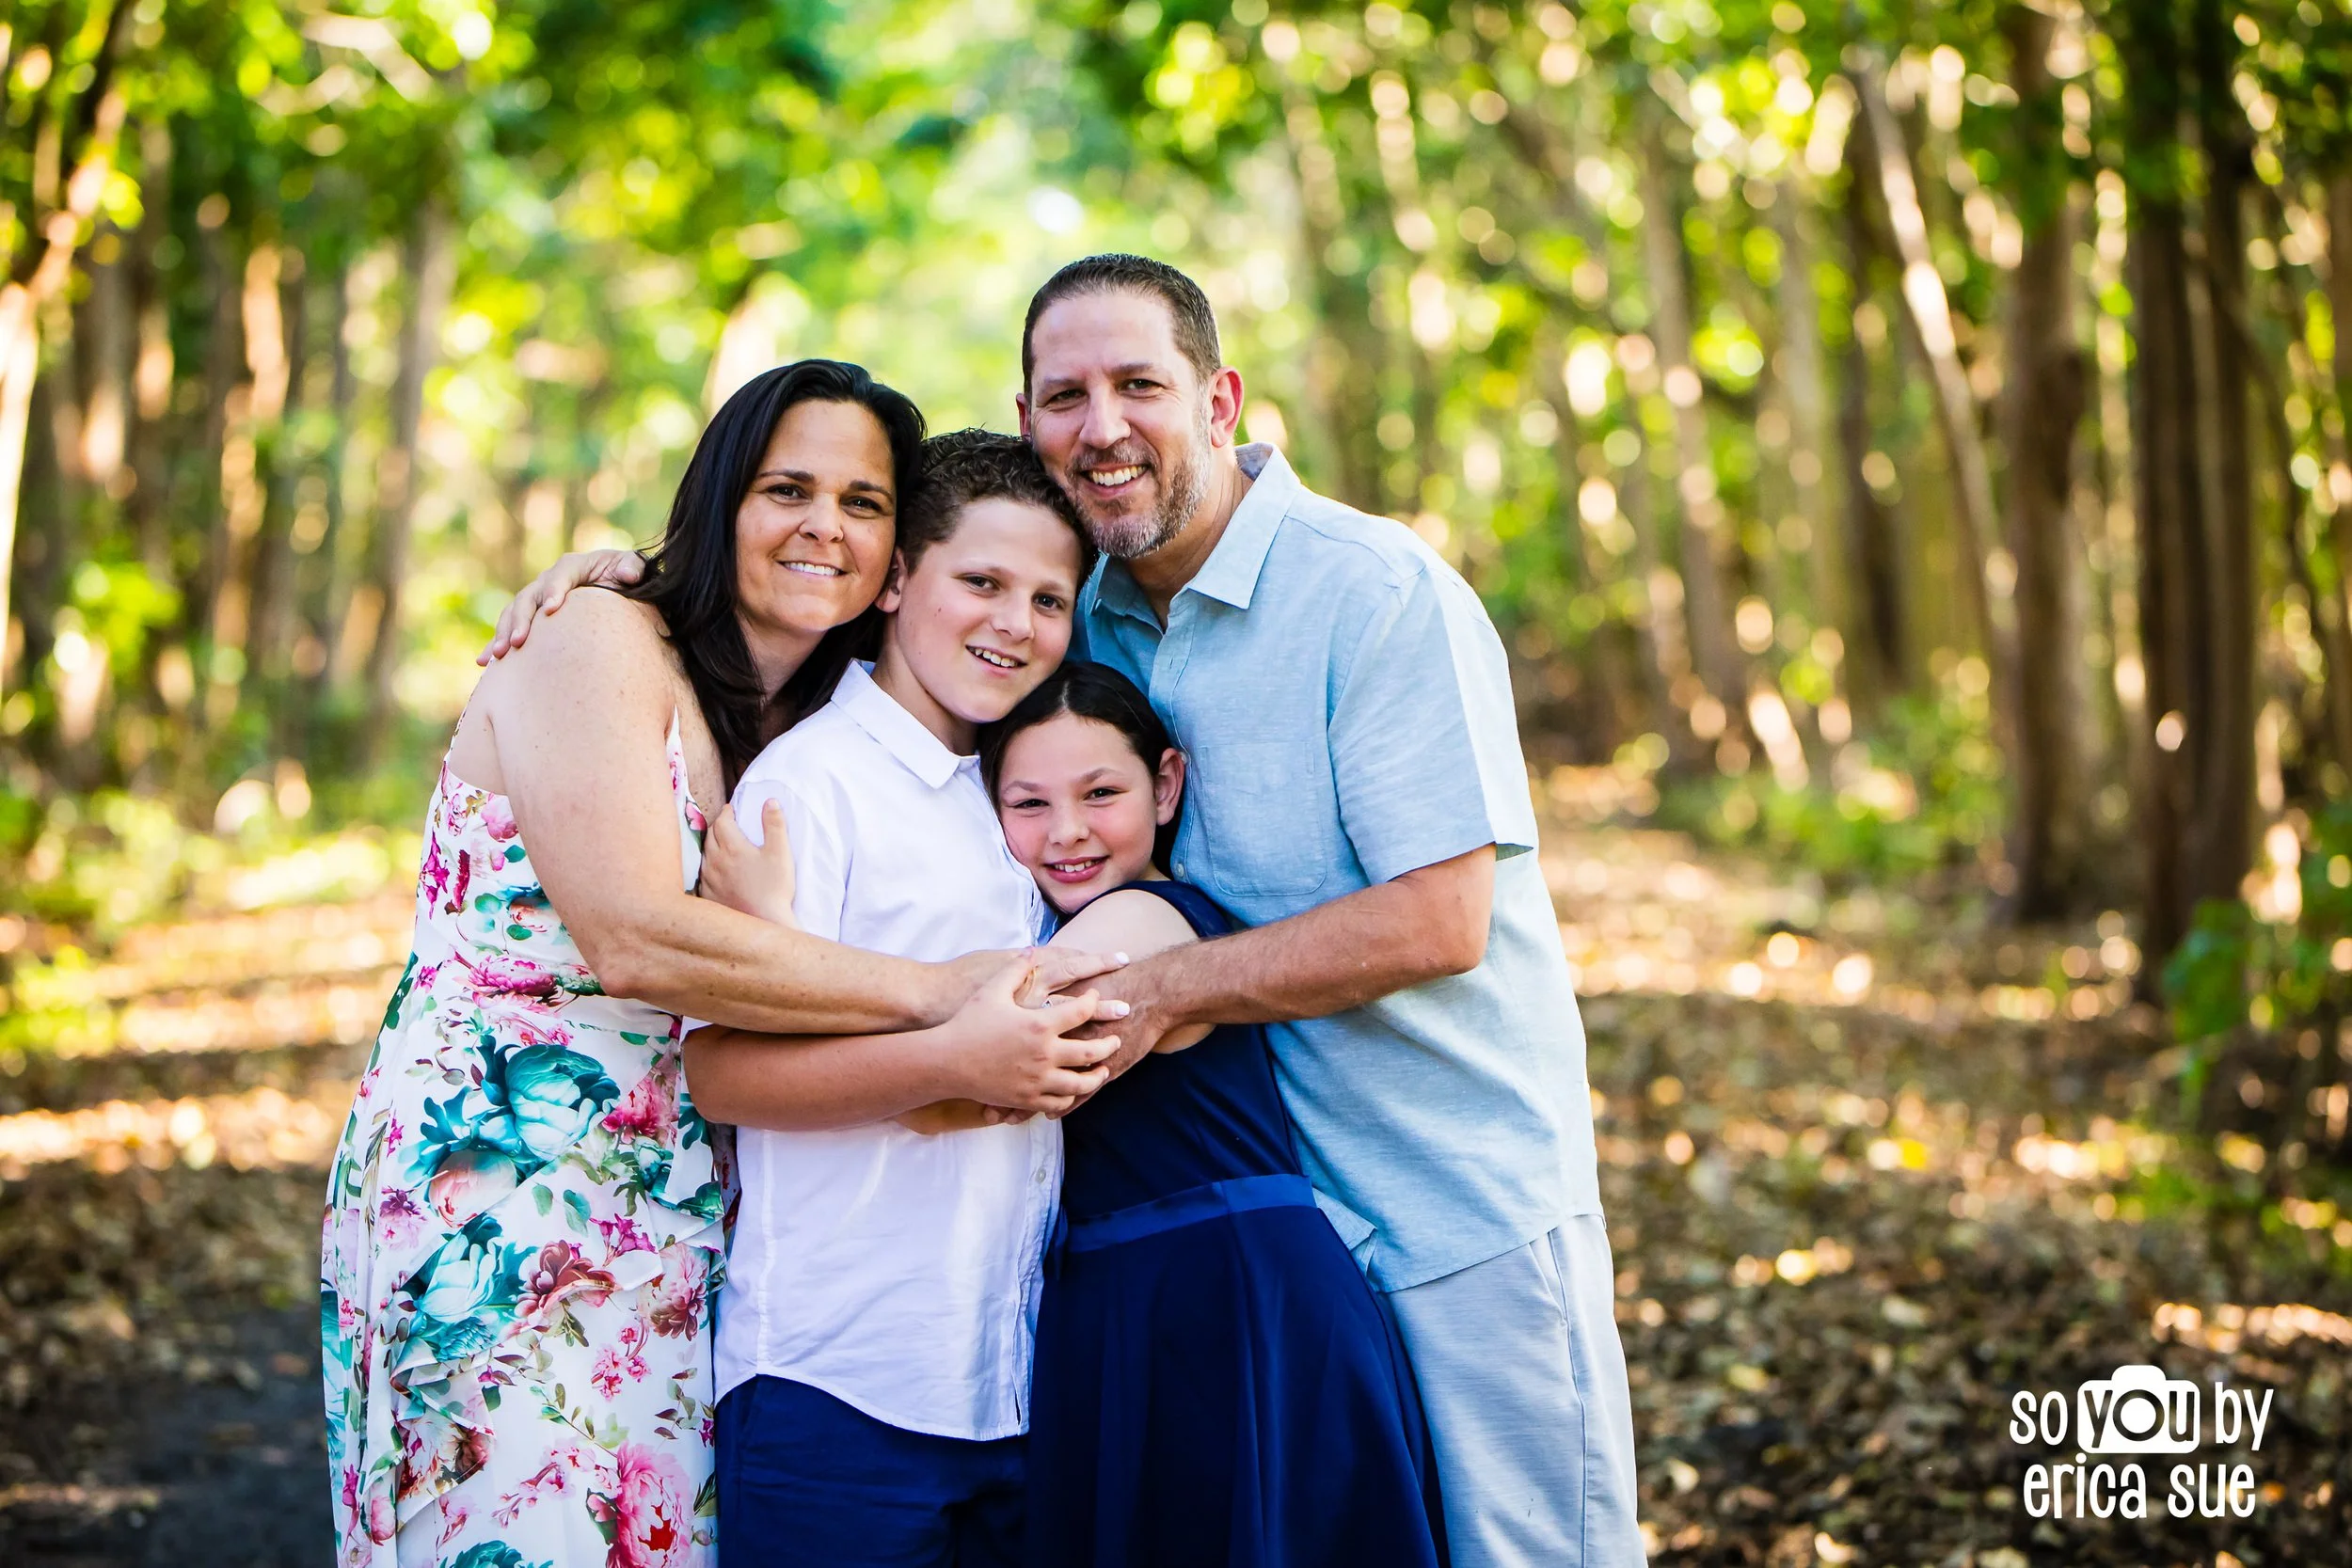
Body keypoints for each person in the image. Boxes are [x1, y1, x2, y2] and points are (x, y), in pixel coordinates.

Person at [495, 255, 1642, 1568]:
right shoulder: (1080, 618)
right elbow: (864, 591)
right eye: (1064, 394)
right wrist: (638, 576)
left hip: (1448, 1196)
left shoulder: (1372, 589)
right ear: (1026, 417)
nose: (1103, 426)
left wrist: (1130, 992)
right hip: (1205, 1230)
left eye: (1139, 384)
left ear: (1220, 400)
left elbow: (1442, 919)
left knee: (1522, 1545)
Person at [322, 366, 1122, 1568]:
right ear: (720, 497)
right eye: (786, 489)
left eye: (861, 502)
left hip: (685, 1196)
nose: (824, 526)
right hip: (505, 1178)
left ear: (893, 553)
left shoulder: (789, 710)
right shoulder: (597, 636)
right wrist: (940, 997)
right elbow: (634, 936)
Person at [681, 431, 1094, 1568]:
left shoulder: (1021, 793)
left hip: (1010, 1384)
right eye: (982, 581)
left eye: (1049, 599)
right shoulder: (811, 785)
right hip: (838, 1384)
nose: (1015, 622)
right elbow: (721, 1068)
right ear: (898, 576)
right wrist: (952, 1061)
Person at [985, 662, 1446, 1568]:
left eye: (1101, 793)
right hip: (1148, 1296)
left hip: (1228, 1304)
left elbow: (987, 1046)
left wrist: (773, 936)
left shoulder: (1141, 919)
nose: (1067, 829)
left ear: (1166, 786)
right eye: (1028, 803)